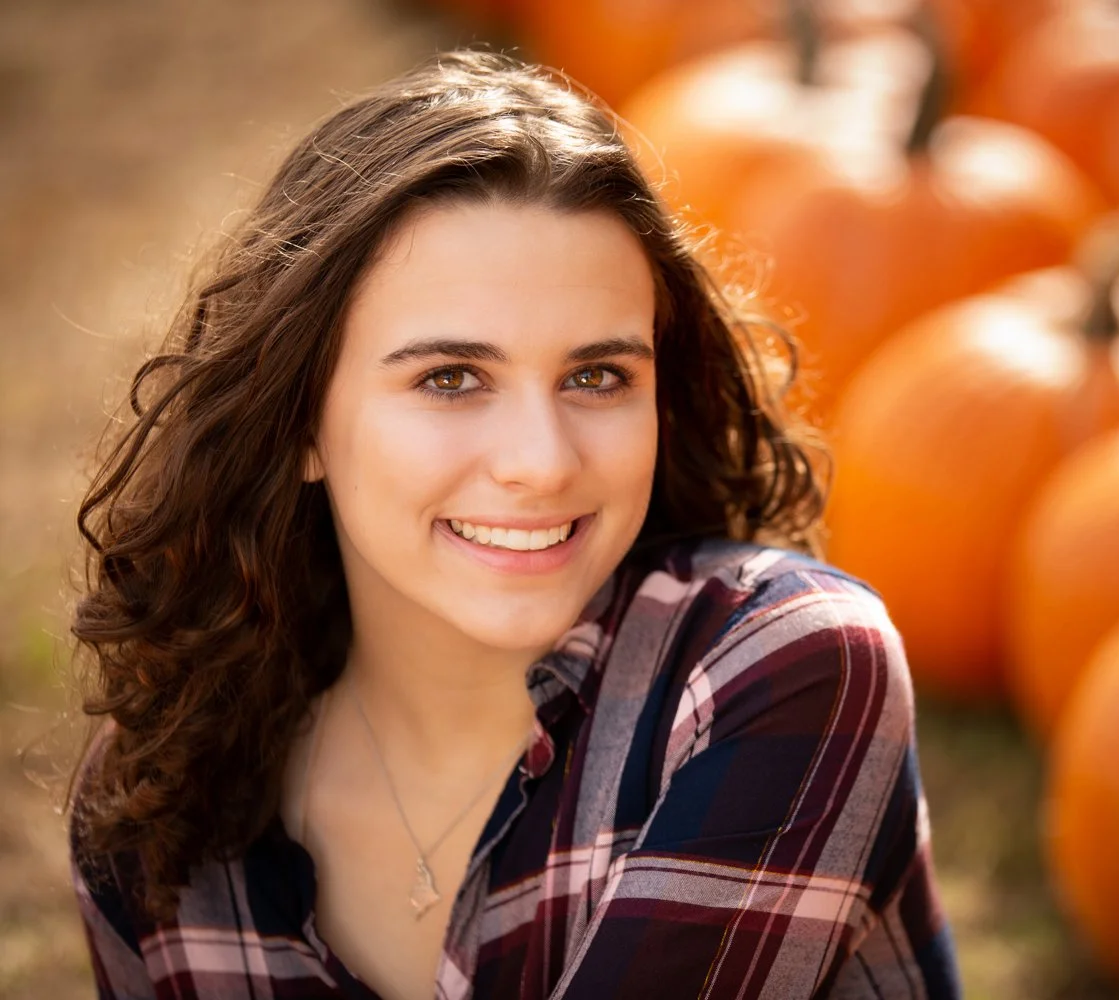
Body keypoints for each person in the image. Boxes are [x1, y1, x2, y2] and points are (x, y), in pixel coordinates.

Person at [65, 49, 961, 1000]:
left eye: (597, 376)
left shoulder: (781, 668)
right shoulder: (158, 811)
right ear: (299, 423)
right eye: (449, 379)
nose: (541, 460)